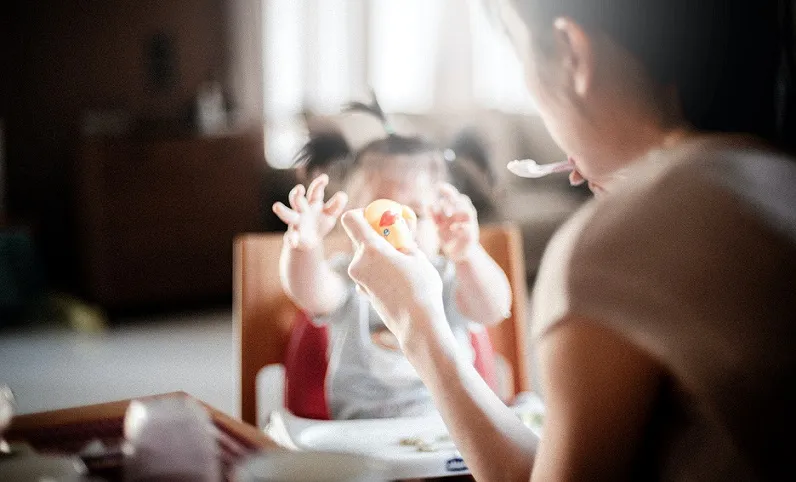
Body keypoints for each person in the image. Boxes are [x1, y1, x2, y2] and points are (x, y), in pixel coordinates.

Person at [338, 0, 796, 480]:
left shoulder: (611, 250)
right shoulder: (774, 181)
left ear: (570, 52)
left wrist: (418, 323)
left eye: (519, 56)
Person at [271, 98, 512, 420]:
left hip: (451, 433)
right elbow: (309, 291)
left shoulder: (450, 277)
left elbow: (493, 308)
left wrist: (468, 254)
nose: (397, 228)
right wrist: (305, 247)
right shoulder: (350, 275)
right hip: (363, 438)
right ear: (349, 218)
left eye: (414, 214)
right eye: (380, 213)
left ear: (439, 220)